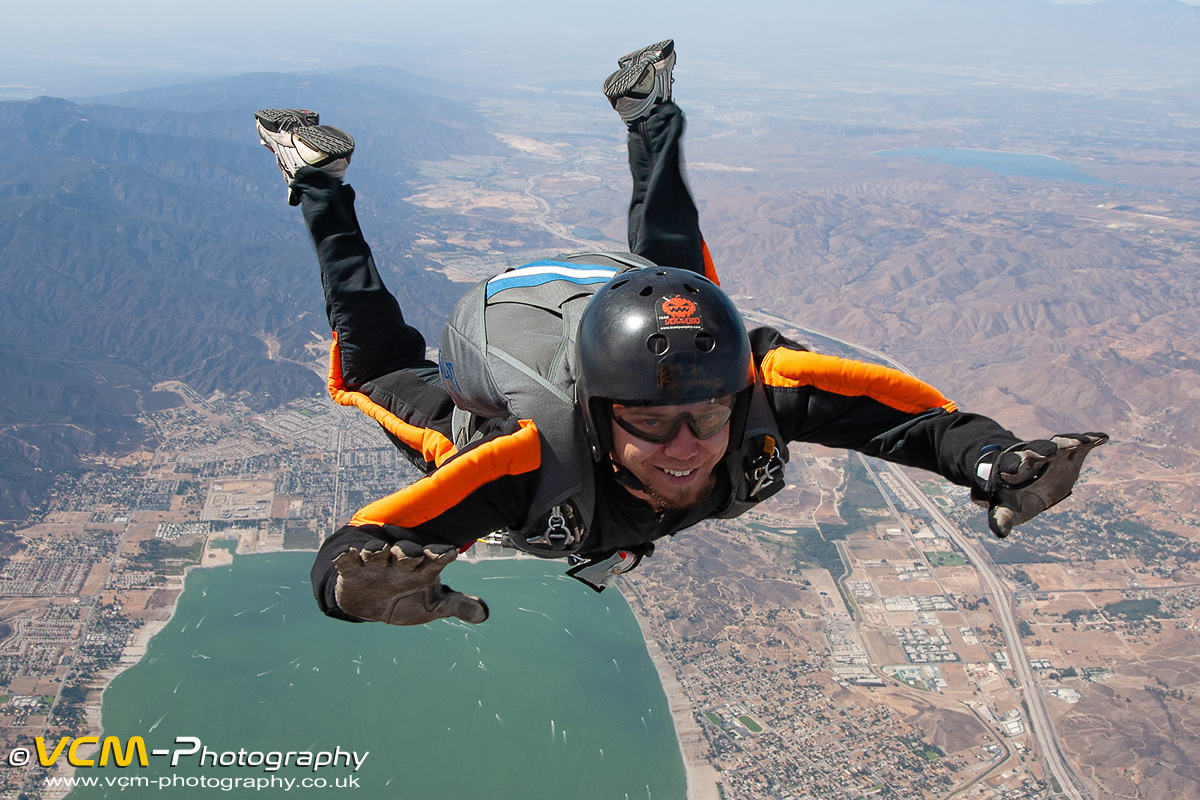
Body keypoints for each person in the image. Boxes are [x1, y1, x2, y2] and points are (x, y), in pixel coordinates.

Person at [255, 41, 1107, 627]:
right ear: (596, 417)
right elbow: (373, 538)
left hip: (624, 322)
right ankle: (318, 179)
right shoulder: (518, 462)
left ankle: (650, 113)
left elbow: (914, 422)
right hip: (533, 367)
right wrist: (357, 586)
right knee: (375, 373)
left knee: (698, 300)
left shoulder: (745, 392)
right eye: (651, 423)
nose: (688, 447)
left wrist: (996, 460)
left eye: (706, 418)